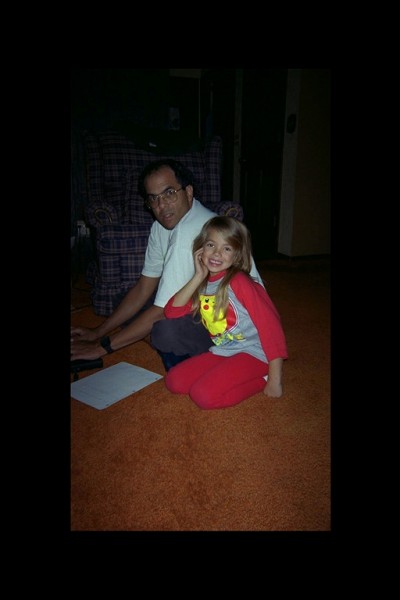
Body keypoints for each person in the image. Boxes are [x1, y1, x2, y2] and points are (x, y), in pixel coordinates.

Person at [71, 159, 264, 368]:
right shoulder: (160, 227)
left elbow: (164, 310)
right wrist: (98, 332)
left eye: (169, 193)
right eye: (153, 198)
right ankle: (166, 346)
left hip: (235, 324)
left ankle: (211, 357)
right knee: (125, 299)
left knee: (165, 331)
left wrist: (99, 348)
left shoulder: (189, 231)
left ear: (188, 192)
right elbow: (144, 287)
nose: (161, 205)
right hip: (203, 301)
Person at [163, 216, 288, 410]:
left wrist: (275, 378)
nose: (217, 253)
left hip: (255, 352)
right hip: (224, 350)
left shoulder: (239, 281)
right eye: (211, 245)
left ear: (237, 255)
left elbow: (271, 326)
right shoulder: (202, 284)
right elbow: (171, 312)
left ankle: (261, 379)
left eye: (226, 248)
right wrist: (198, 276)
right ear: (201, 248)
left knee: (203, 395)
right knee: (174, 381)